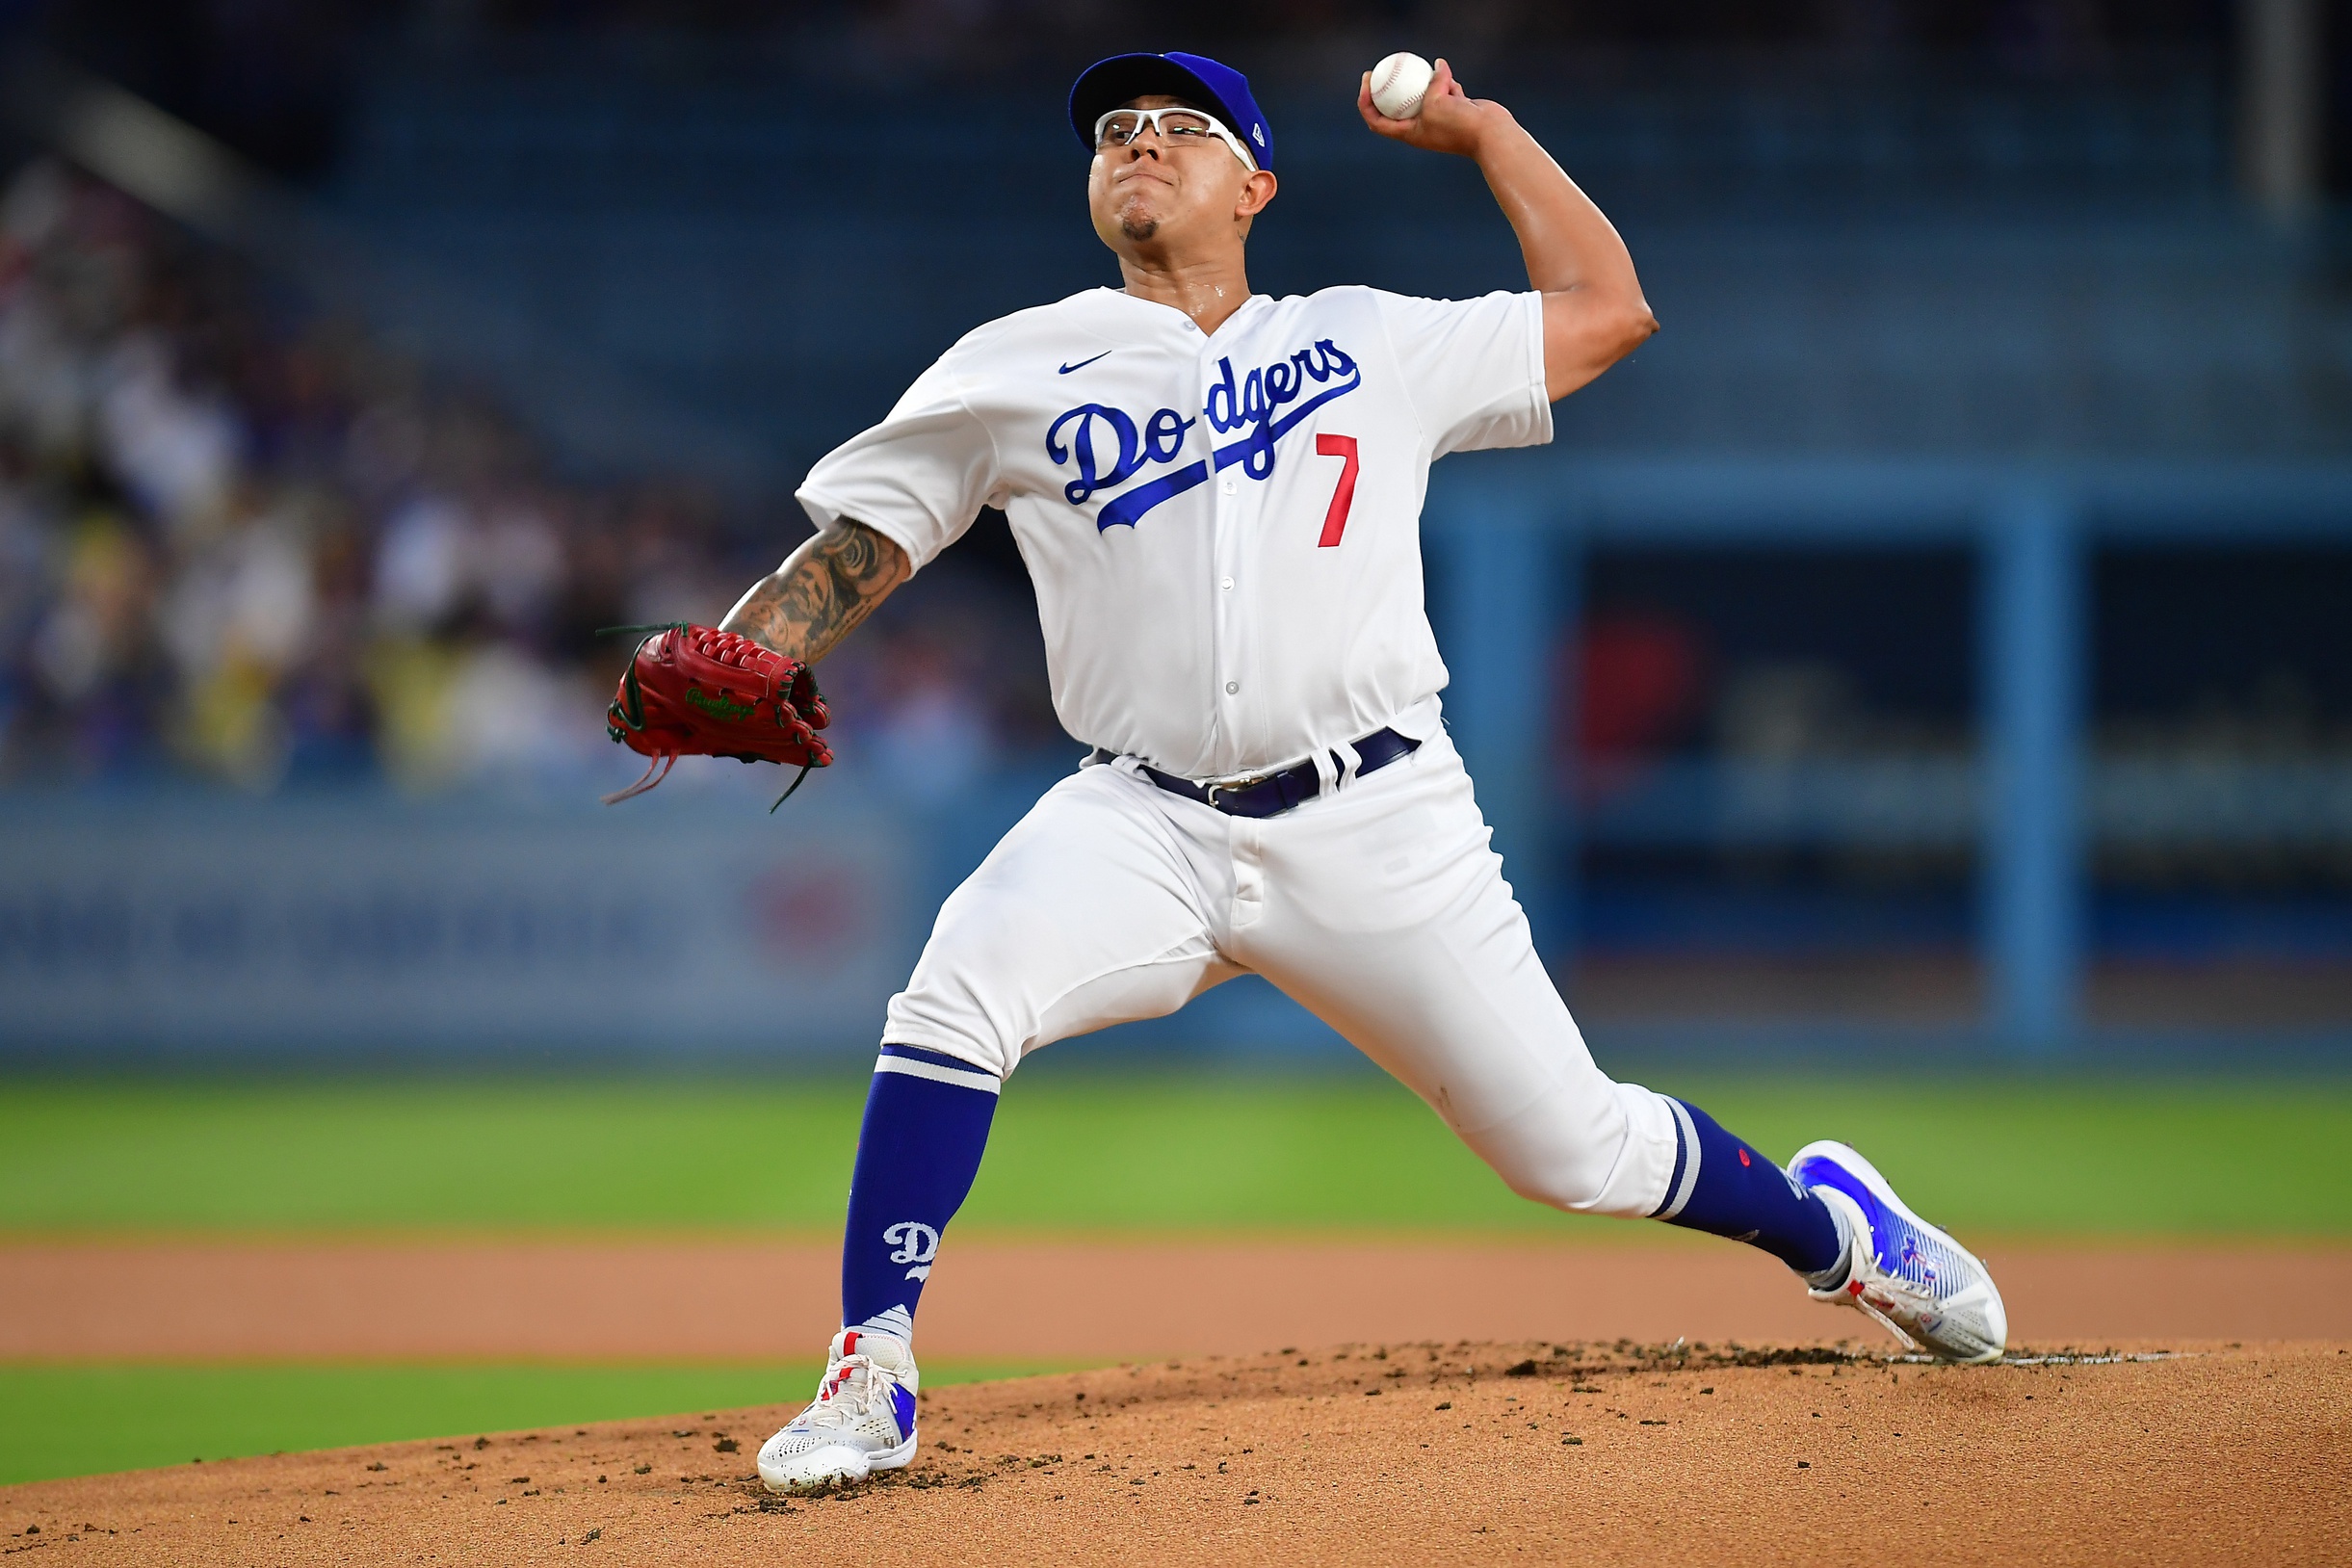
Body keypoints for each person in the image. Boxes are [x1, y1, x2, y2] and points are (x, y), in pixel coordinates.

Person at [721, 51, 2006, 1494]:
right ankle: (868, 1372)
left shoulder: (1364, 340)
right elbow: (864, 539)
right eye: (1116, 132)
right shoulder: (1014, 360)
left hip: (1375, 813)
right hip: (1139, 815)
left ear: (1254, 186)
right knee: (955, 987)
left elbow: (1608, 309)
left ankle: (1840, 1238)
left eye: (1181, 128)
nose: (1139, 143)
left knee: (1569, 1151)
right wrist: (742, 647)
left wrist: (1489, 133)